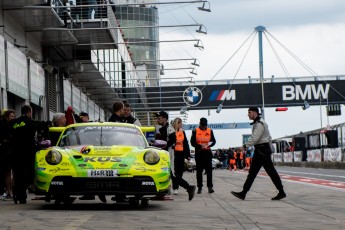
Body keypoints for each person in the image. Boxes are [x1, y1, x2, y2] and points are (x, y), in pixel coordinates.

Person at [231, 107, 286, 201]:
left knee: (269, 172)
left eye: (249, 112)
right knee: (254, 172)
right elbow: (268, 137)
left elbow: (255, 138)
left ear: (255, 113)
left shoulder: (260, 124)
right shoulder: (257, 123)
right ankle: (243, 193)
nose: (248, 114)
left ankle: (281, 192)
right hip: (261, 150)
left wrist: (244, 147)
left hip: (262, 150)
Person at [10, 105, 37, 204]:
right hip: (28, 153)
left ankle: (19, 194)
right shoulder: (30, 122)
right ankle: (20, 193)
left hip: (15, 153)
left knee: (18, 175)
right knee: (29, 175)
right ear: (29, 112)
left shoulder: (13, 123)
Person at [167, 117, 196, 201]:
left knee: (179, 171)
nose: (181, 125)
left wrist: (187, 154)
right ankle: (176, 188)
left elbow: (185, 143)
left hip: (181, 154)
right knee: (174, 172)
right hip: (173, 153)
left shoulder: (182, 132)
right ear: (177, 123)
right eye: (180, 123)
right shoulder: (172, 131)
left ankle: (185, 187)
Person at [190, 117, 216, 194]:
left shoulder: (210, 131)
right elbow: (192, 142)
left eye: (205, 125)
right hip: (199, 152)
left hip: (207, 152)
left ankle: (210, 187)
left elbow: (214, 141)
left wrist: (210, 145)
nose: (204, 127)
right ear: (200, 124)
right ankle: (200, 187)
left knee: (209, 171)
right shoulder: (195, 131)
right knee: (199, 171)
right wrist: (199, 146)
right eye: (202, 125)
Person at [0, 109, 15, 201]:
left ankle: (10, 190)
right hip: (6, 151)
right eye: (11, 116)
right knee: (8, 172)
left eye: (14, 116)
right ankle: (9, 191)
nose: (13, 118)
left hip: (14, 151)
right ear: (6, 117)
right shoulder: (4, 127)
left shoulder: (16, 126)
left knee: (15, 172)